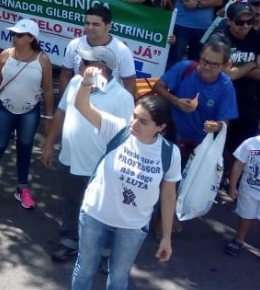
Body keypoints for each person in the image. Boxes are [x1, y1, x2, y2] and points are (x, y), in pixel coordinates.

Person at [70, 67, 181, 290]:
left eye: (143, 122)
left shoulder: (169, 153)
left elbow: (168, 197)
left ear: (160, 127)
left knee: (119, 277)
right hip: (95, 216)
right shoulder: (118, 130)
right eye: (134, 116)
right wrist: (85, 83)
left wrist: (166, 237)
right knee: (85, 269)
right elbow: (82, 106)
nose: (133, 124)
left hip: (132, 226)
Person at [41, 47, 136, 263]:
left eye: (84, 61)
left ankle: (105, 252)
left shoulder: (122, 97)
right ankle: (69, 241)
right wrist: (49, 144)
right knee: (71, 203)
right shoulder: (76, 83)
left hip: (100, 168)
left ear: (100, 68)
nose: (79, 64)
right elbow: (61, 112)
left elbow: (127, 137)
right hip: (69, 159)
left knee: (103, 211)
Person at [0, 19, 54, 209]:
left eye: (19, 35)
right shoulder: (5, 55)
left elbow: (48, 90)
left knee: (25, 148)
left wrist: (48, 116)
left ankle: (22, 188)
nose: (15, 37)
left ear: (31, 38)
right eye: (14, 33)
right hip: (5, 108)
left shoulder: (42, 60)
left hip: (30, 111)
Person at [152, 39, 236, 161]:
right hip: (169, 137)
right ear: (200, 56)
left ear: (225, 66)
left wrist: (216, 126)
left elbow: (224, 121)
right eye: (205, 61)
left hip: (199, 146)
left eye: (214, 64)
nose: (207, 67)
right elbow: (158, 87)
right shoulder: (185, 68)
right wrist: (176, 101)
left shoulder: (225, 85)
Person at [212, 3, 260, 170]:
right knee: (219, 140)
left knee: (241, 145)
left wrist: (237, 70)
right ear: (229, 21)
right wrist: (252, 64)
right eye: (240, 22)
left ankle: (231, 180)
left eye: (249, 22)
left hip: (251, 100)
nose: (245, 26)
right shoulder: (219, 38)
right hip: (222, 98)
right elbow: (226, 74)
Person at [226, 109, 260, 263]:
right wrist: (232, 186)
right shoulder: (250, 143)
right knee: (245, 216)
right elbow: (238, 165)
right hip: (248, 191)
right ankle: (239, 239)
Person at [60, 4, 139, 99]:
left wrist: (123, 108)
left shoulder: (122, 51)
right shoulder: (74, 44)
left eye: (95, 24)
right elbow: (65, 75)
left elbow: (130, 84)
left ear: (108, 26)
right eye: (87, 23)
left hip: (108, 105)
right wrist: (64, 103)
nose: (89, 28)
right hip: (79, 100)